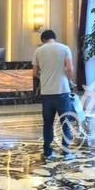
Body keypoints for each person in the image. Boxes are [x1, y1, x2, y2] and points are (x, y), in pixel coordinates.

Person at [32, 29, 77, 158]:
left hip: (46, 92)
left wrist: (44, 77)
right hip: (62, 90)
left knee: (47, 123)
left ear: (43, 39)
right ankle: (66, 151)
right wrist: (70, 80)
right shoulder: (65, 48)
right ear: (54, 38)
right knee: (65, 122)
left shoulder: (38, 51)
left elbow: (34, 72)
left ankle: (47, 151)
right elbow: (70, 68)